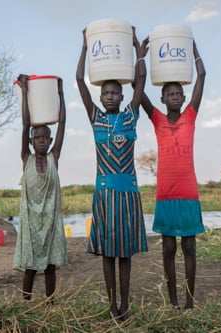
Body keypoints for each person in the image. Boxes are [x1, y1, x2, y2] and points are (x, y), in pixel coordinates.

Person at [76, 26, 148, 321]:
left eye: (113, 92)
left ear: (121, 95)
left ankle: (126, 303)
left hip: (129, 195)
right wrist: (84, 46)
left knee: (125, 255)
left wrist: (135, 48)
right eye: (104, 92)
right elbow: (79, 80)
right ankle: (112, 306)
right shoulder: (96, 118)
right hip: (104, 195)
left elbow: (140, 79)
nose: (108, 96)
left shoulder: (131, 115)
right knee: (107, 253)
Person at [139, 38, 206, 309]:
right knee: (168, 248)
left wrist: (193, 50)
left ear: (184, 97)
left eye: (179, 93)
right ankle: (174, 301)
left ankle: (190, 302)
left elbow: (202, 75)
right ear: (163, 98)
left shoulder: (191, 115)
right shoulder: (157, 119)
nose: (176, 97)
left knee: (189, 247)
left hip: (188, 194)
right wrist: (139, 56)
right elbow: (137, 90)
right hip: (166, 195)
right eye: (171, 94)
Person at [13, 74, 67, 302]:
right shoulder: (26, 159)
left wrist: (60, 94)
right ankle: (25, 304)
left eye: (46, 137)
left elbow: (62, 122)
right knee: (31, 268)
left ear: (51, 140)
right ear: (31, 142)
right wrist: (25, 92)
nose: (42, 141)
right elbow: (26, 124)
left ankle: (50, 303)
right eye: (38, 138)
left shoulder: (54, 157)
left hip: (51, 222)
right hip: (31, 225)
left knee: (51, 267)